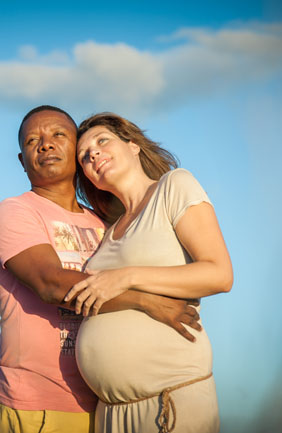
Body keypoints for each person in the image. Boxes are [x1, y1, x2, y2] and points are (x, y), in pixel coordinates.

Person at [0, 106, 203, 433]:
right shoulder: (14, 212)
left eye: (58, 135)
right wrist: (145, 300)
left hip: (107, 407)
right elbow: (51, 284)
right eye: (33, 140)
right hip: (39, 404)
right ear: (22, 160)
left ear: (78, 151)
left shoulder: (106, 223)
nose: (45, 145)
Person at [64, 113, 233, 433]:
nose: (93, 154)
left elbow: (219, 274)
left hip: (169, 401)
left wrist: (127, 276)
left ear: (133, 147)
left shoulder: (174, 185)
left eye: (102, 142)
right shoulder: (108, 233)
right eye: (84, 156)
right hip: (110, 413)